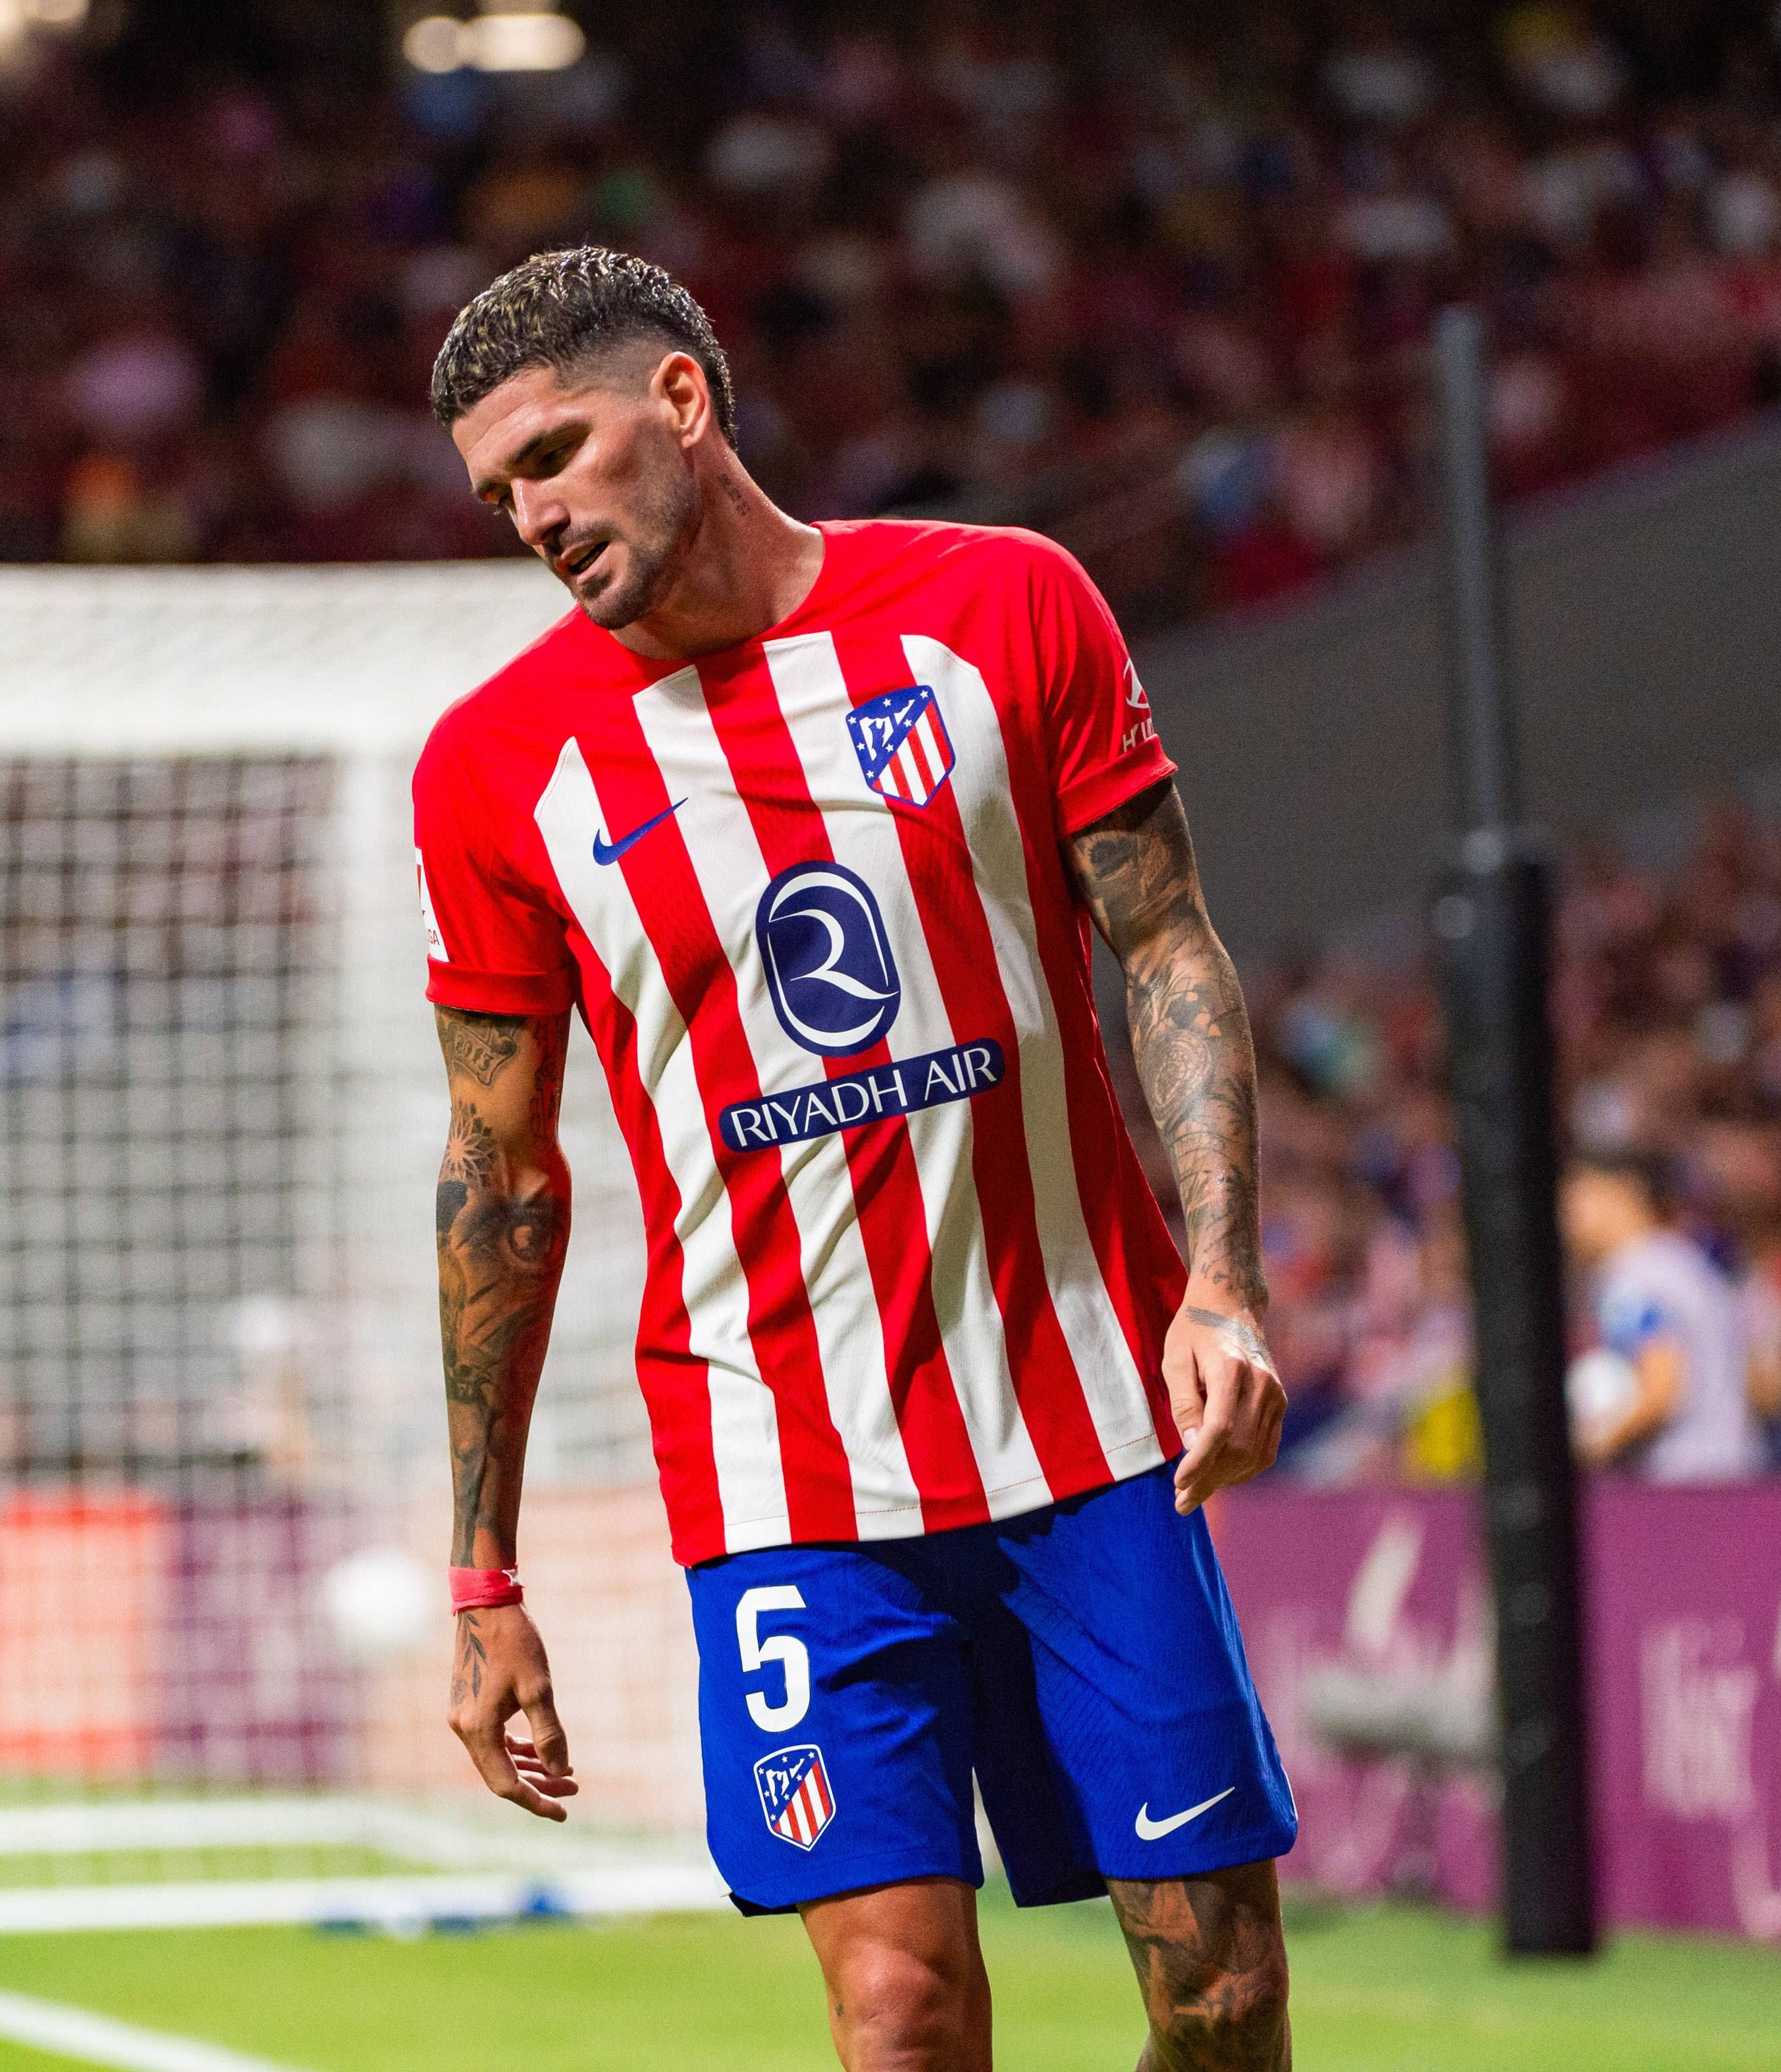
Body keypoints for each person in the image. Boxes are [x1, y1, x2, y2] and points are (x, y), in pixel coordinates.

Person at [413, 248, 1296, 2072]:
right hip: (783, 1470)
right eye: (501, 491)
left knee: (1220, 1997)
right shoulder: (494, 773)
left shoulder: (1001, 607)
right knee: (895, 2015)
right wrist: (482, 1577)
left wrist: (1221, 1275)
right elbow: (502, 1172)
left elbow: (1170, 945)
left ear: (681, 398)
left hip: (1093, 1427)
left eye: (556, 453)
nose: (533, 515)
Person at [1559, 1151, 1760, 1481]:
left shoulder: (1631, 1280)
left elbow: (1662, 1386)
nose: (1567, 1213)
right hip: (1734, 1472)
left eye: (1578, 1194)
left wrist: (1589, 1444)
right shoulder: (1686, 1261)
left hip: (1680, 1483)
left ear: (1622, 1192)